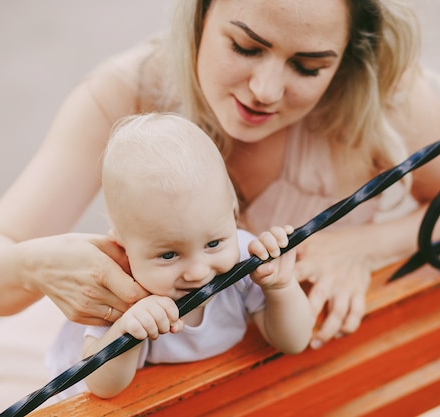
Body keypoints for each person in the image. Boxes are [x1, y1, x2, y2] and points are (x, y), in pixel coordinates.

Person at [0, 0, 440, 415]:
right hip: (154, 349)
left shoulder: (382, 97)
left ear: (349, 55)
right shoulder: (127, 92)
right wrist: (34, 265)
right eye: (245, 46)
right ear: (200, 15)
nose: (266, 89)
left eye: (309, 66)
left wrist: (358, 244)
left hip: (289, 383)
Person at [46, 112, 312, 400]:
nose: (198, 272)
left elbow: (294, 342)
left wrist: (281, 287)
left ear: (232, 212)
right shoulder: (119, 290)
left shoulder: (243, 259)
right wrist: (127, 331)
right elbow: (101, 386)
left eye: (213, 243)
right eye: (169, 255)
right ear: (123, 246)